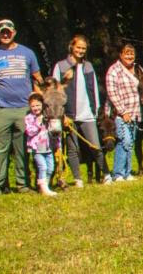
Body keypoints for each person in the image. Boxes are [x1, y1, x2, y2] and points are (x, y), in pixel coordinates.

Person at [0, 19, 43, 196]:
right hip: (0, 109)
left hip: (24, 109)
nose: (6, 34)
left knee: (23, 148)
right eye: (2, 32)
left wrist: (39, 106)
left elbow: (37, 79)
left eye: (8, 31)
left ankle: (23, 184)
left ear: (14, 32)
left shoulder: (28, 53)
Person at [49, 35, 107, 187]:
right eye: (78, 47)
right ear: (72, 47)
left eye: (83, 48)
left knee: (95, 145)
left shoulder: (88, 67)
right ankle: (77, 178)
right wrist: (61, 115)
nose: (80, 51)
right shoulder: (61, 66)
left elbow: (94, 89)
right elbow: (55, 93)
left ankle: (106, 174)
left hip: (87, 113)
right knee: (73, 148)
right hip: (69, 115)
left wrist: (96, 110)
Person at [105, 43, 141, 182]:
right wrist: (123, 111)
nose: (129, 56)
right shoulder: (114, 70)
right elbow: (112, 93)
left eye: (132, 53)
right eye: (126, 53)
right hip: (120, 113)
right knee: (124, 141)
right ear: (120, 55)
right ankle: (118, 173)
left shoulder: (137, 69)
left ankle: (127, 172)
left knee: (130, 142)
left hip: (135, 112)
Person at [24, 93, 58, 197]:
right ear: (30, 107)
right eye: (33, 106)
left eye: (38, 105)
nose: (36, 108)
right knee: (42, 167)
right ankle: (44, 189)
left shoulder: (46, 116)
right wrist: (38, 124)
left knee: (51, 168)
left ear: (42, 105)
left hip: (48, 147)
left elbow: (53, 131)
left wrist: (58, 143)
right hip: (37, 148)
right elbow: (29, 132)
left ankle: (44, 186)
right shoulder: (29, 118)